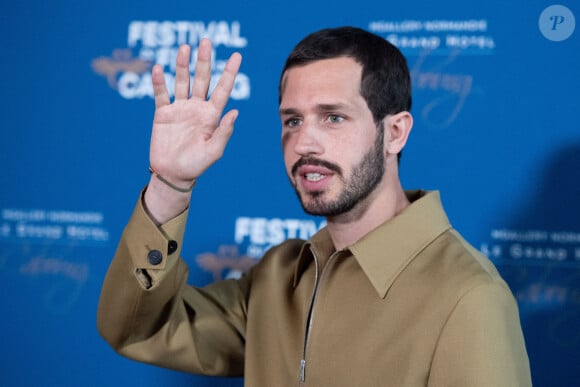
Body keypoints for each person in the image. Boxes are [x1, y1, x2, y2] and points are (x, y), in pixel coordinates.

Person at [97, 26, 532, 386]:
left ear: (395, 133)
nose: (304, 142)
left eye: (334, 117)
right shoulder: (277, 276)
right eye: (292, 120)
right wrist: (171, 183)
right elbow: (136, 329)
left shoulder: (469, 297)